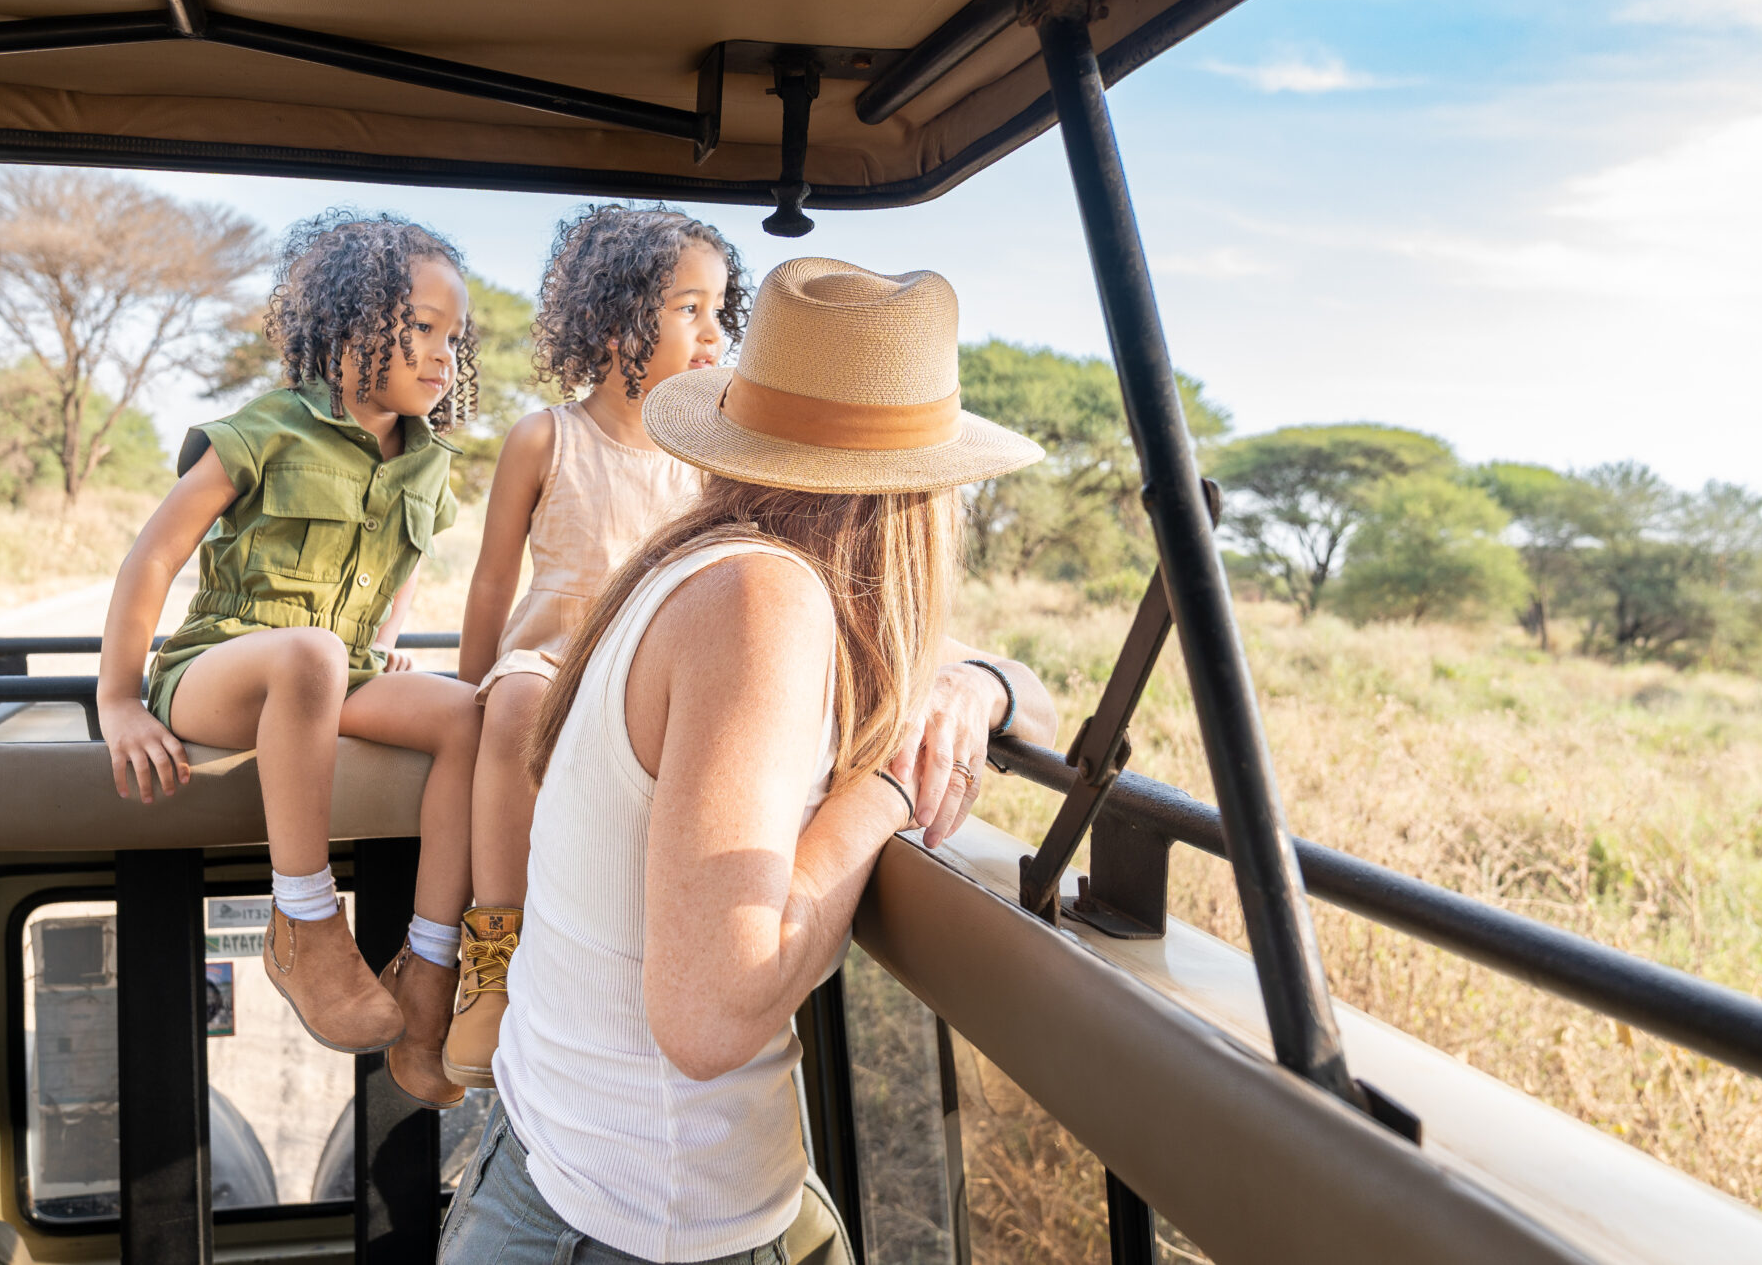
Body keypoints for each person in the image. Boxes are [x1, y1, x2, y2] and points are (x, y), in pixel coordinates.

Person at [440, 257, 1055, 1263]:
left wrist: (973, 683)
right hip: (636, 1225)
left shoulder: (707, 567)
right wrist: (887, 791)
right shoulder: (760, 606)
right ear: (921, 497)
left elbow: (1037, 693)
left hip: (553, 1168)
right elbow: (710, 1017)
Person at [97, 210, 481, 1109]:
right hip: (220, 672)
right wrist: (118, 698)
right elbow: (153, 556)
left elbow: (400, 585)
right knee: (306, 653)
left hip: (331, 673)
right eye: (423, 329)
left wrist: (385, 653)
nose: (444, 357)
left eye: (454, 339)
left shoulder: (428, 465)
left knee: (470, 709)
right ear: (351, 324)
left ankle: (429, 966)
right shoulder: (267, 426)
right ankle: (304, 920)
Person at [445, 205, 746, 1089]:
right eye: (689, 308)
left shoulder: (713, 459)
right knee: (514, 702)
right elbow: (492, 586)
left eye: (720, 310)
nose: (714, 331)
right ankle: (492, 955)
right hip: (551, 669)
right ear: (616, 319)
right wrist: (468, 695)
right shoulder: (547, 437)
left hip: (650, 682)